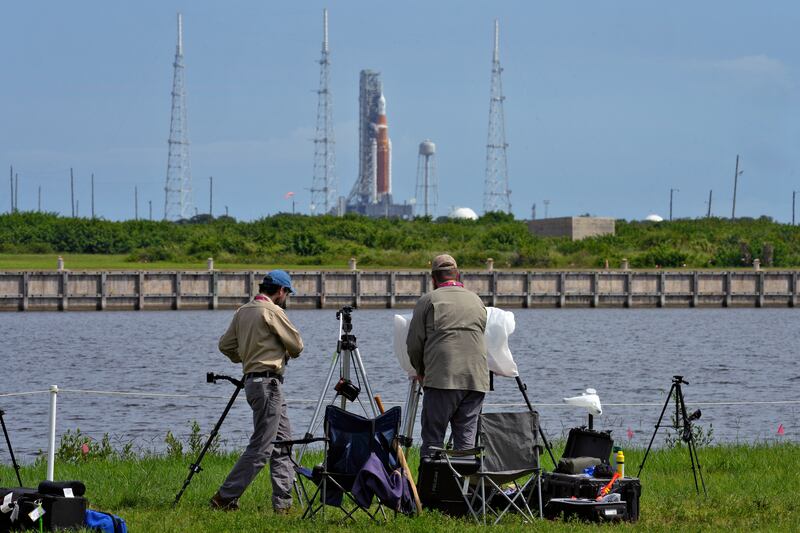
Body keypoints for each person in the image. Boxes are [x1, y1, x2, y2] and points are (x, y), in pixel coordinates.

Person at [210, 269, 304, 514]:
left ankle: (282, 505)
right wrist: (274, 355)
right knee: (262, 447)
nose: (286, 298)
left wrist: (246, 357)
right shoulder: (273, 311)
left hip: (254, 382)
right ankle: (225, 496)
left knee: (284, 443)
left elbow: (225, 345)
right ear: (281, 291)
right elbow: (297, 346)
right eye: (287, 293)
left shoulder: (243, 311)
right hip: (269, 384)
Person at [406, 254, 489, 457]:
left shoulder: (428, 300)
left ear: (433, 279)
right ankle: (463, 487)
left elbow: (414, 344)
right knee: (466, 441)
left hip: (442, 378)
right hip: (476, 380)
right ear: (458, 275)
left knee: (433, 440)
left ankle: (431, 488)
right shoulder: (477, 300)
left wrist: (421, 372)